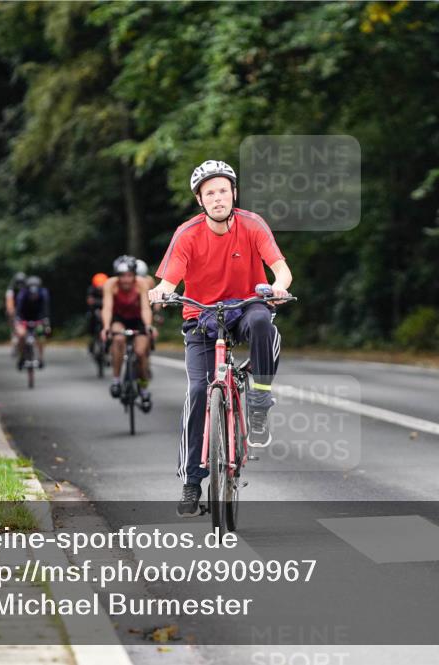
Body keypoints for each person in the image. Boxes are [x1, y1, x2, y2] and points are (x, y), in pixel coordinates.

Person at [148, 159, 292, 517]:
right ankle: (192, 482)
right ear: (200, 199)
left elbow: (281, 269)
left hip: (245, 307)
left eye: (223, 191)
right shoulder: (187, 233)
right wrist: (161, 292)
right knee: (198, 392)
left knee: (264, 323)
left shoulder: (252, 224)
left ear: (234, 193)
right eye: (209, 193)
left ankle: (259, 402)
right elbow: (169, 279)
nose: (217, 198)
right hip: (200, 316)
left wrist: (277, 288)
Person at [101, 256, 154, 409]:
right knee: (118, 339)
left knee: (140, 353)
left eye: (129, 275)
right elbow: (107, 307)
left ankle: (144, 389)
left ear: (134, 275)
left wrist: (148, 325)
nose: (126, 280)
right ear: (117, 276)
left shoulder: (142, 284)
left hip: (138, 319)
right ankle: (116, 380)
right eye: (122, 276)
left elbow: (145, 308)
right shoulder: (110, 285)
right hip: (119, 319)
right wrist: (106, 327)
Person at [14, 276, 51, 369]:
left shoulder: (43, 294)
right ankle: (21, 356)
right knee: (21, 335)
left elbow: (45, 310)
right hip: (24, 318)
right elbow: (18, 311)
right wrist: (18, 321)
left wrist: (45, 321)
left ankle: (41, 358)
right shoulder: (22, 295)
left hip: (38, 318)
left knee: (41, 336)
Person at [5, 271, 27, 354]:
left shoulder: (28, 289)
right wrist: (11, 311)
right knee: (14, 326)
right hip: (14, 312)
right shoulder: (10, 291)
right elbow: (9, 303)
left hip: (25, 311)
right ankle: (15, 341)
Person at [86, 272, 108, 353]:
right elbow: (90, 301)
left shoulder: (108, 290)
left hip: (105, 309)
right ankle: (92, 338)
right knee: (90, 319)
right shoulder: (91, 289)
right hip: (94, 310)